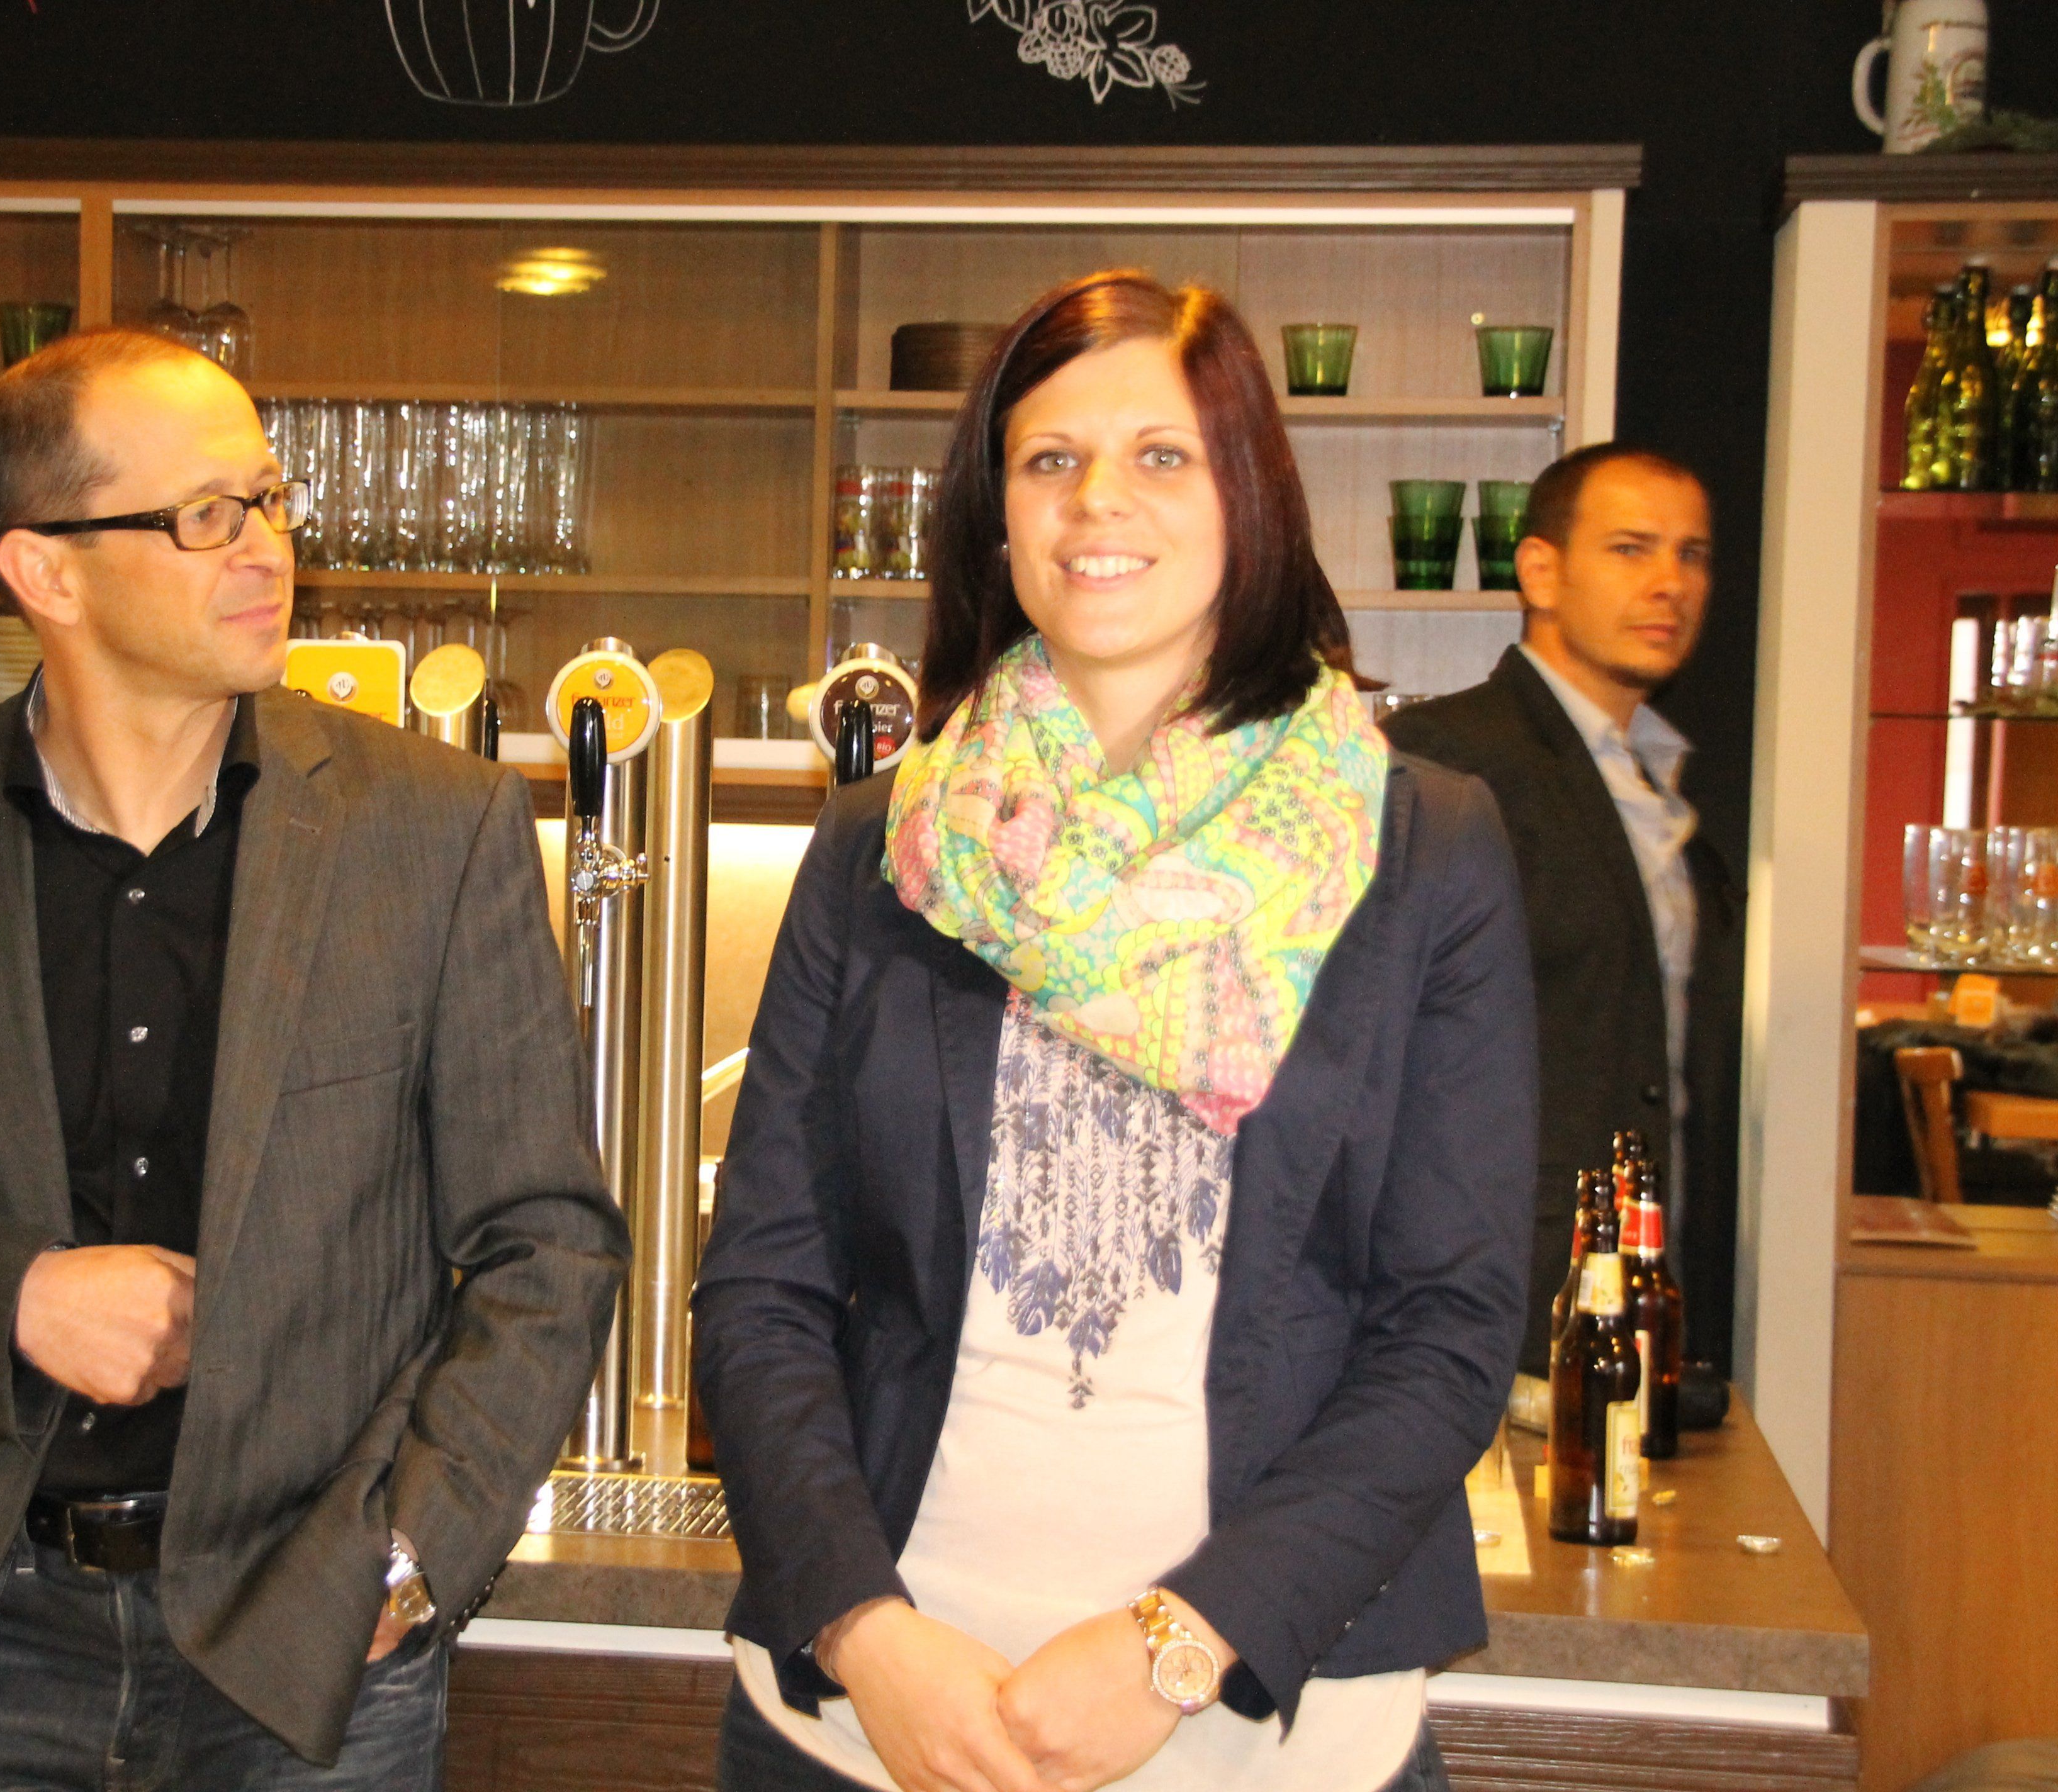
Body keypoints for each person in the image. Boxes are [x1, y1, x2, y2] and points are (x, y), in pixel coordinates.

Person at [0, 327, 627, 1792]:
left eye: (268, 499)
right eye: (206, 514)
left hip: (307, 1631)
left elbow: (547, 1241)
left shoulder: (433, 828)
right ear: (47, 570)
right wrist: (19, 1293)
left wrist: (412, 1557)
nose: (267, 547)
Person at [694, 271, 1536, 1792]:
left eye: (1162, 454)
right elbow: (764, 1287)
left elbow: (1450, 1322)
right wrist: (868, 1633)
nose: (1099, 501)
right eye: (1050, 458)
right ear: (996, 516)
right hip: (876, 1718)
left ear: (1249, 496)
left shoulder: (1422, 849)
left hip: (1268, 1731)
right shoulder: (886, 846)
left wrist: (1179, 1641)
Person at [1381, 444, 1741, 1392]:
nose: (1670, 583)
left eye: (1692, 555)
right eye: (1631, 548)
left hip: (1636, 1301)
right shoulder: (1444, 761)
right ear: (1539, 571)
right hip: (1484, 1316)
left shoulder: (1661, 785)